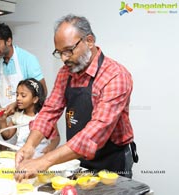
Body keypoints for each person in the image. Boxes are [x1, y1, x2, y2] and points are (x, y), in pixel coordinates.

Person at [15, 14, 138, 182]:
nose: (64, 59)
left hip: (111, 161)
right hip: (77, 156)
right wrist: (29, 146)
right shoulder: (66, 73)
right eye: (59, 53)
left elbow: (95, 133)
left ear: (89, 41)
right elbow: (50, 111)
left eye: (68, 51)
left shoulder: (115, 76)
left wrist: (44, 161)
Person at [0, 23, 48, 111]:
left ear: (8, 41)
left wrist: (16, 104)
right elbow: (4, 93)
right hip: (5, 118)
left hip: (25, 118)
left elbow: (42, 91)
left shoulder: (27, 59)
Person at [0, 78, 60, 158]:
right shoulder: (18, 116)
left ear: (35, 99)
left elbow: (56, 138)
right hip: (20, 156)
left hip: (39, 156)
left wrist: (50, 148)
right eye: (17, 95)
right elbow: (6, 135)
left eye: (23, 95)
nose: (18, 98)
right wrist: (2, 120)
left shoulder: (45, 117)